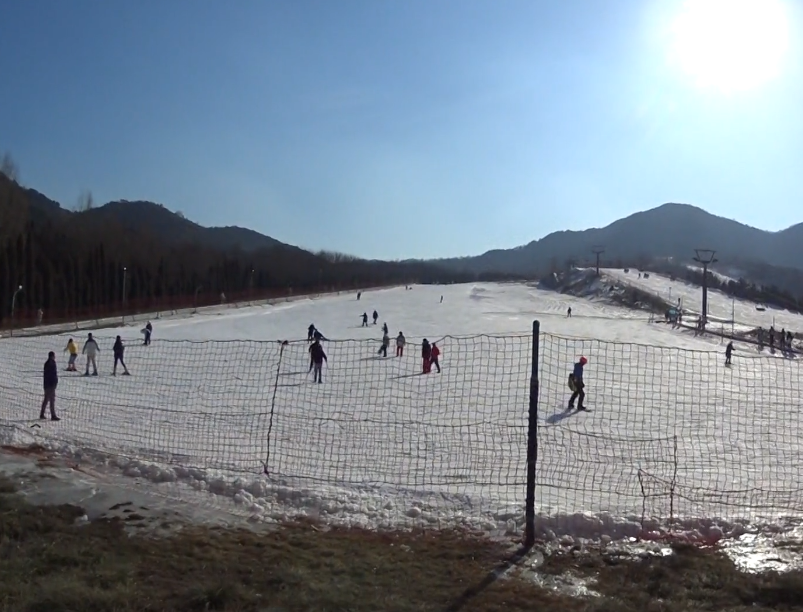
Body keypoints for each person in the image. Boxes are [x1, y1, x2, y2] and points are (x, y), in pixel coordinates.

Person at [40, 351, 60, 421]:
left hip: (46, 384)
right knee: (51, 400)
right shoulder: (52, 363)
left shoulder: (46, 363)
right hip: (51, 384)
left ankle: (42, 414)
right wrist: (55, 382)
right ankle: (53, 415)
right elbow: (53, 375)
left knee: (46, 399)